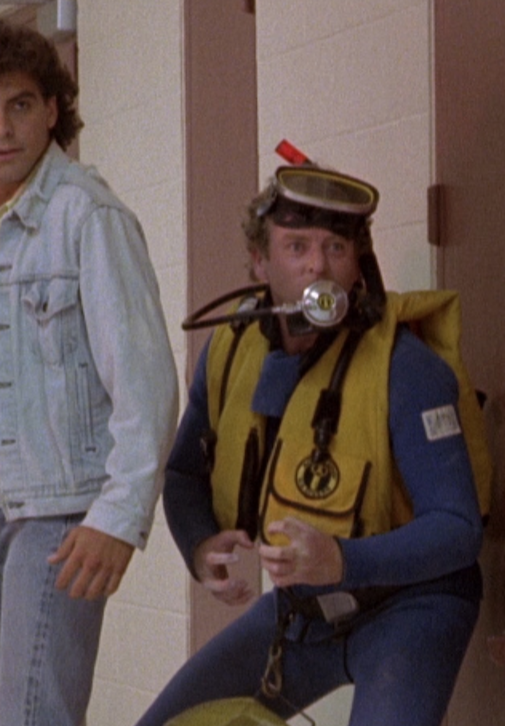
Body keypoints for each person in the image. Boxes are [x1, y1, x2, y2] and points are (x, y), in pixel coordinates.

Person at [135, 163, 490, 726]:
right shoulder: (231, 349)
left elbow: (458, 528)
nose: (317, 265)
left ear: (358, 265)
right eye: (296, 246)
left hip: (411, 606)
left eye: (336, 248)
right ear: (259, 261)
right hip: (302, 613)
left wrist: (343, 559)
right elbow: (182, 473)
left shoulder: (407, 368)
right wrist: (200, 545)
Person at [0, 18, 180, 726]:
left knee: (35, 716)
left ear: (51, 109)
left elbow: (146, 383)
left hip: (59, 512)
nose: (2, 127)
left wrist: (119, 516)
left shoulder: (84, 214)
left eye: (20, 104)